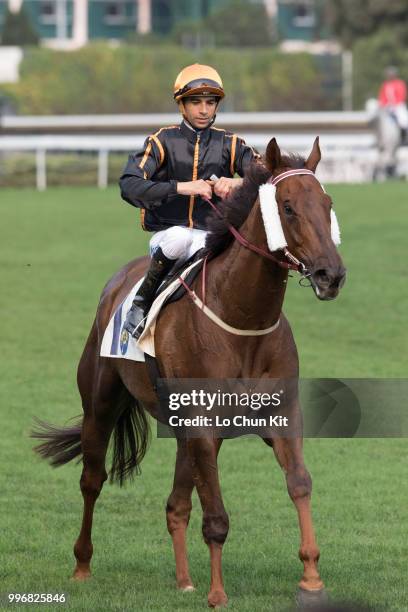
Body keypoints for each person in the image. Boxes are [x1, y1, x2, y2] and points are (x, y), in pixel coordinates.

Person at [119, 63, 259, 338]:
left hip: (214, 238)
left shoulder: (232, 144)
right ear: (182, 105)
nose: (204, 110)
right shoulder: (161, 141)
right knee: (180, 238)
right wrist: (182, 187)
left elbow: (269, 176)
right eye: (196, 102)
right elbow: (129, 185)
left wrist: (238, 182)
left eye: (210, 102)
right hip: (168, 238)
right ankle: (141, 304)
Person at [378, 65, 408, 141]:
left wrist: (395, 104)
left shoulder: (400, 83)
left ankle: (403, 137)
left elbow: (402, 95)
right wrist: (384, 105)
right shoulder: (385, 84)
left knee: (404, 120)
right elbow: (382, 96)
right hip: (387, 106)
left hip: (398, 105)